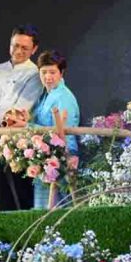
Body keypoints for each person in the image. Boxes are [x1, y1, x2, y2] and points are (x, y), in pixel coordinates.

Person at [0, 25, 42, 211]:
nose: (19, 51)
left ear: (34, 49)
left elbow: (17, 110)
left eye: (25, 48)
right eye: (15, 45)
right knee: (2, 199)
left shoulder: (35, 74)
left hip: (18, 147)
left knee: (24, 200)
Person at [30, 50, 80, 209]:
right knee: (45, 210)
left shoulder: (63, 96)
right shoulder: (46, 94)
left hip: (64, 155)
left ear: (61, 72)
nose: (48, 77)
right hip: (47, 155)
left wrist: (26, 126)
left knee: (60, 209)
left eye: (52, 72)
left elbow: (61, 131)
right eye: (43, 72)